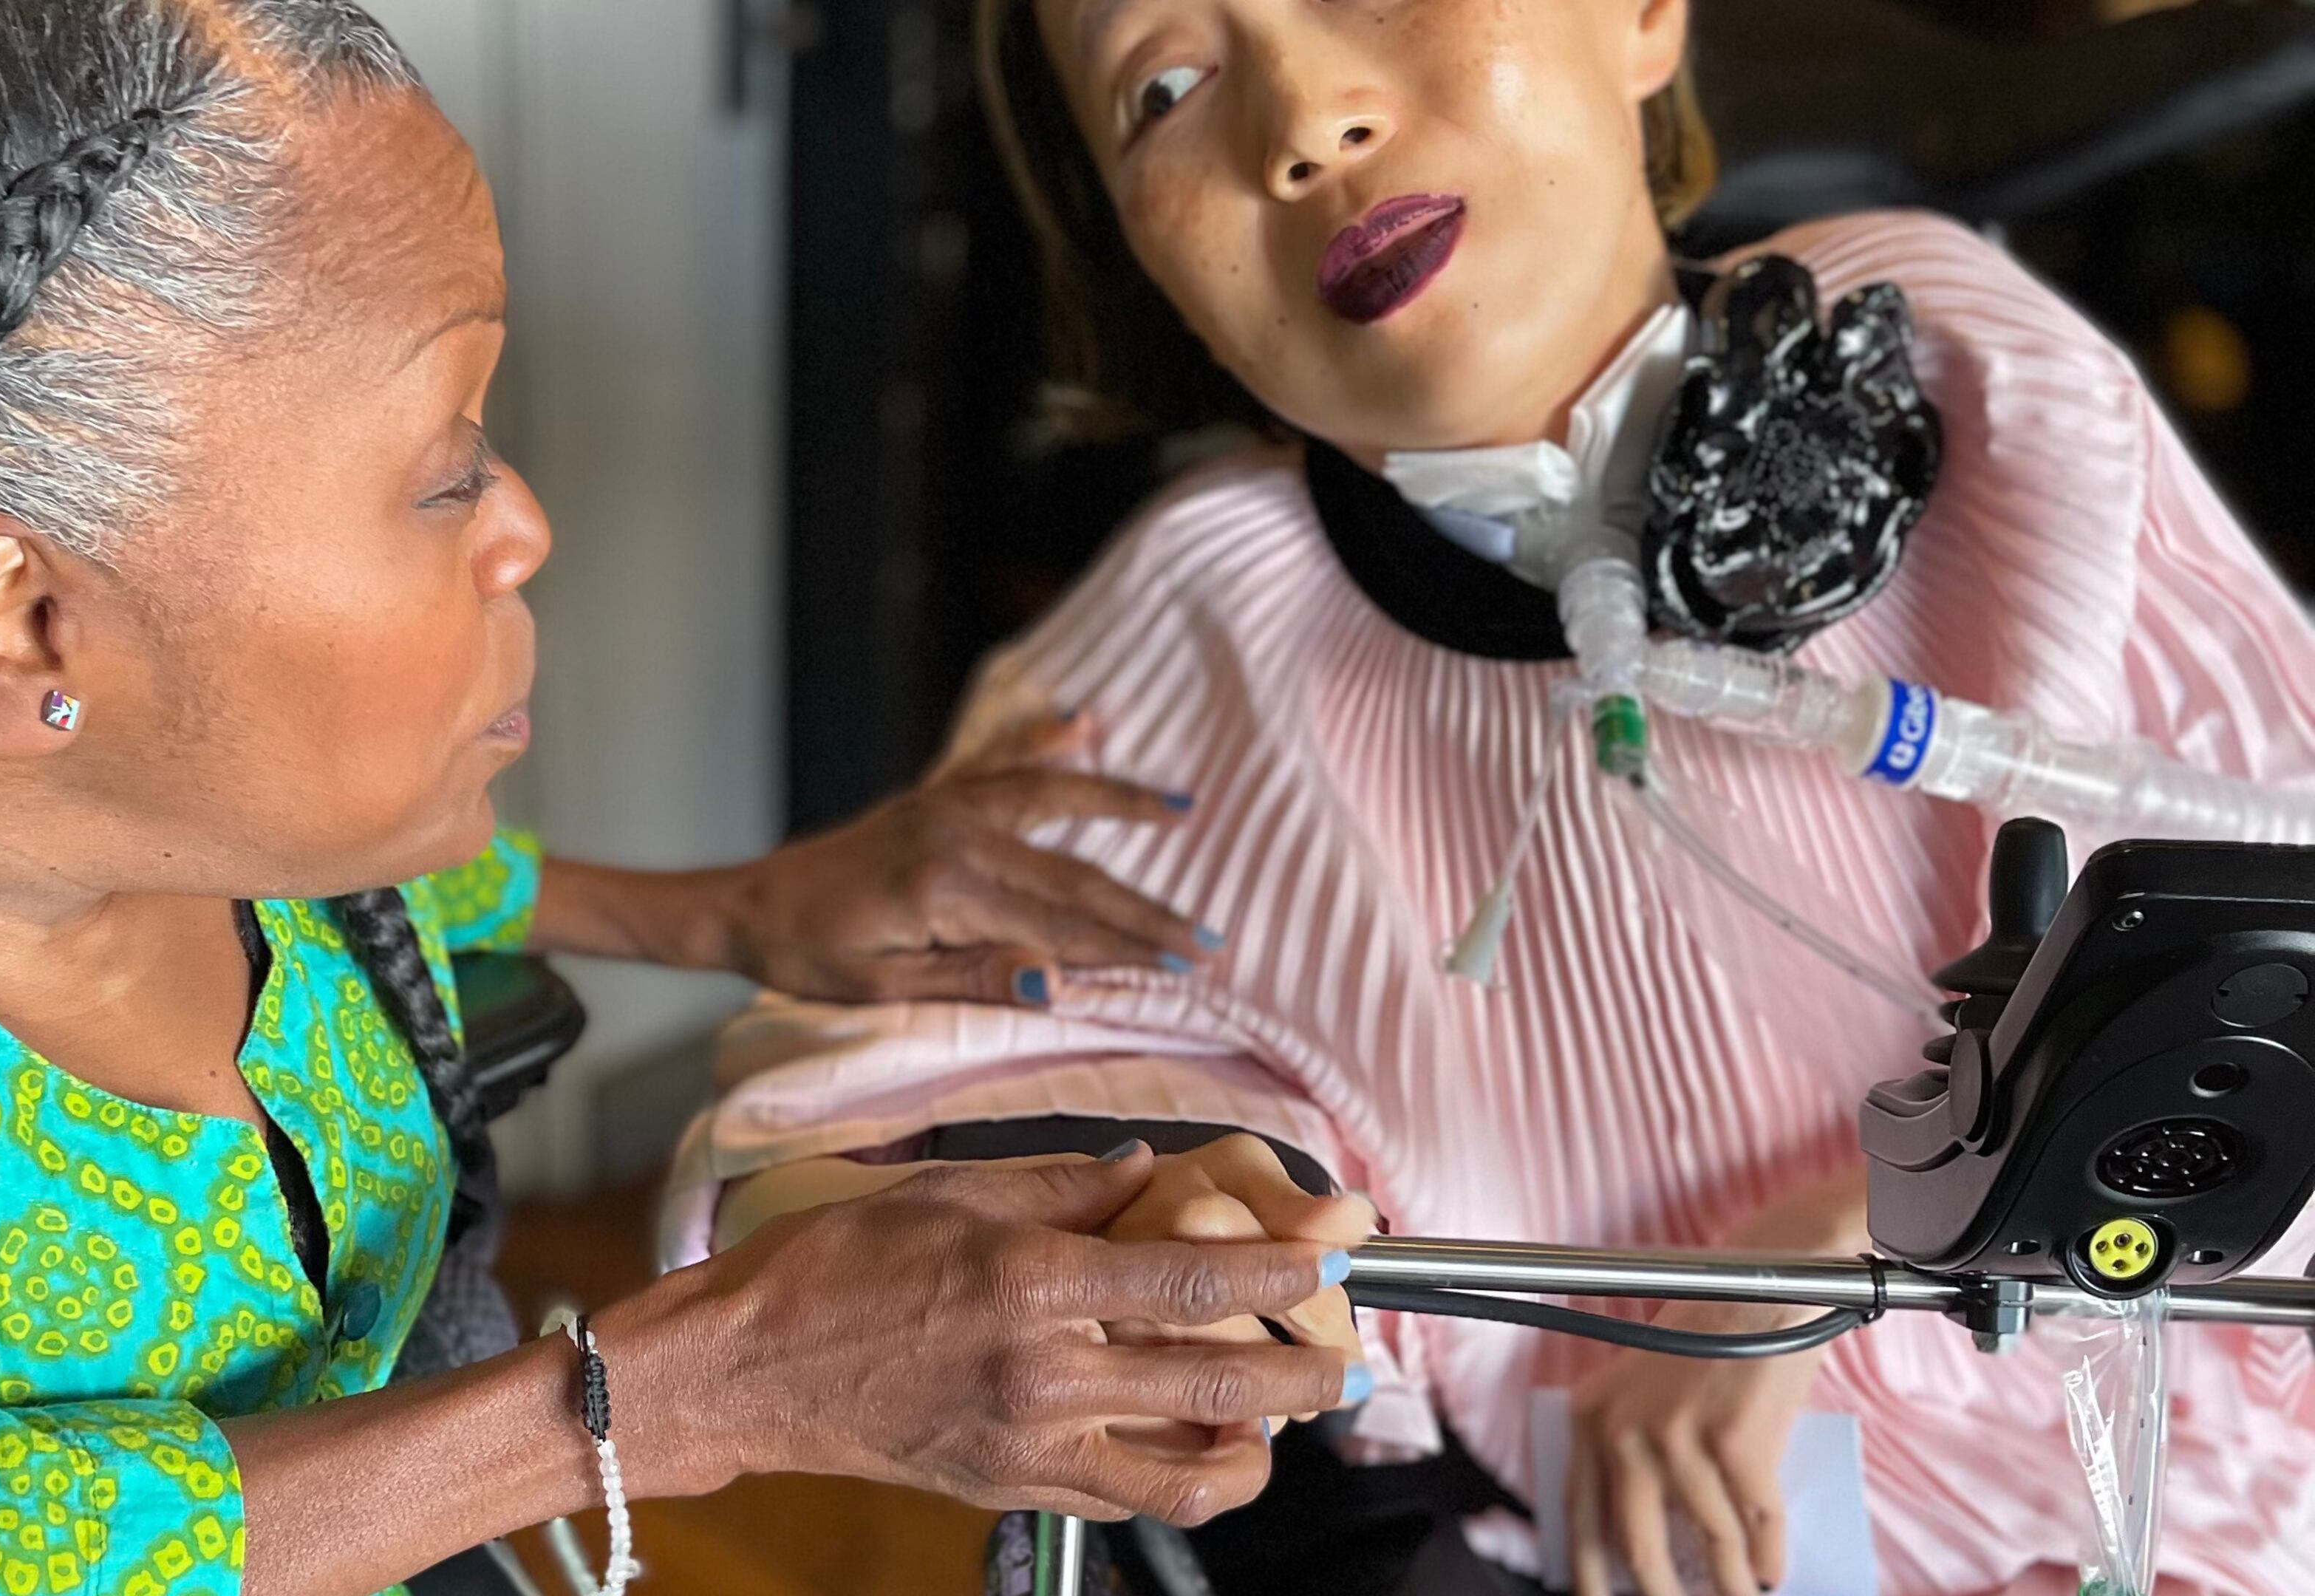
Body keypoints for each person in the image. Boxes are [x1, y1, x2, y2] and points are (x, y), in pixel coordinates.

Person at [0, 4, 1391, 1593]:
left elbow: (395, 908)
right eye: (445, 465)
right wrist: (695, 1391)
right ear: (9, 621)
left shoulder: (160, 800)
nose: (528, 523)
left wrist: (729, 915)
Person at [667, 1, 2315, 1593]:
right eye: (1163, 87)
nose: (1306, 125)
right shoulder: (1187, 647)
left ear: (1644, 16)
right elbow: (813, 1149)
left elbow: (2266, 944)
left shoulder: (1957, 369)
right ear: (1142, 254)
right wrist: (1157, 1228)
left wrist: (1840, 1254)